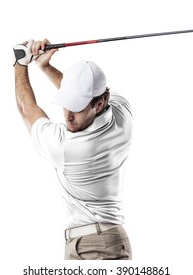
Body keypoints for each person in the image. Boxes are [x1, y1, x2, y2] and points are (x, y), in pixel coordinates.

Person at [12, 38, 133, 260]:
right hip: (106, 242)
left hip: (94, 248)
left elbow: (25, 107)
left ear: (98, 105)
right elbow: (83, 94)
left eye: (76, 108)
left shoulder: (70, 148)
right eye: (66, 102)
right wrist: (45, 67)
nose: (68, 116)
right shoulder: (122, 111)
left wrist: (20, 63)